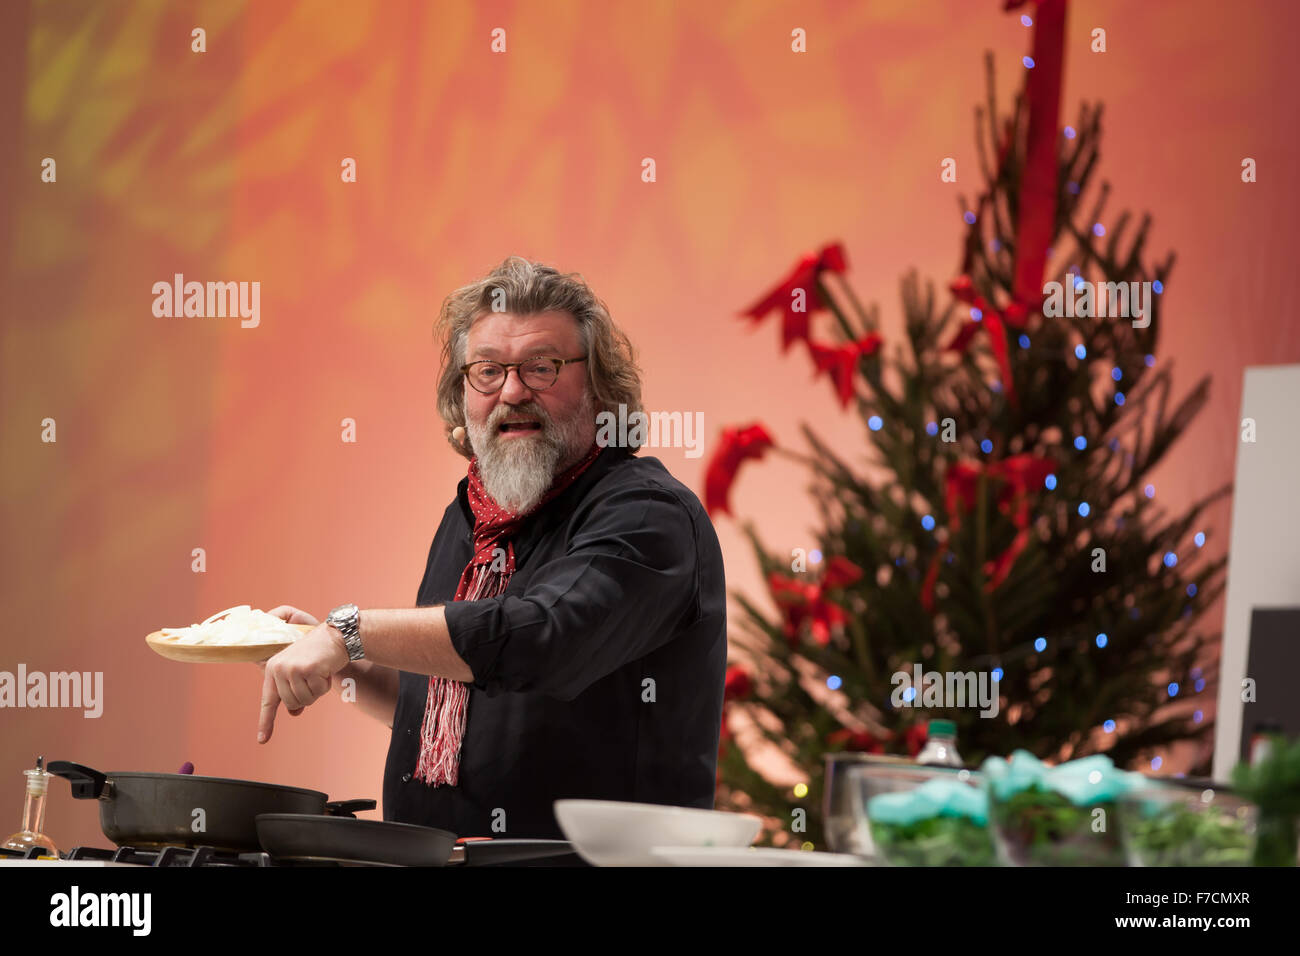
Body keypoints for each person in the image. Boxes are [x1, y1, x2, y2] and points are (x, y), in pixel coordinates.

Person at [255, 255, 727, 840]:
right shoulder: (468, 517)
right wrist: (342, 664)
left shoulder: (648, 514)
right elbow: (440, 707)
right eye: (487, 370)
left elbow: (540, 638)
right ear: (464, 392)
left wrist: (347, 629)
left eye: (542, 368)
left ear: (600, 388)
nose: (512, 391)